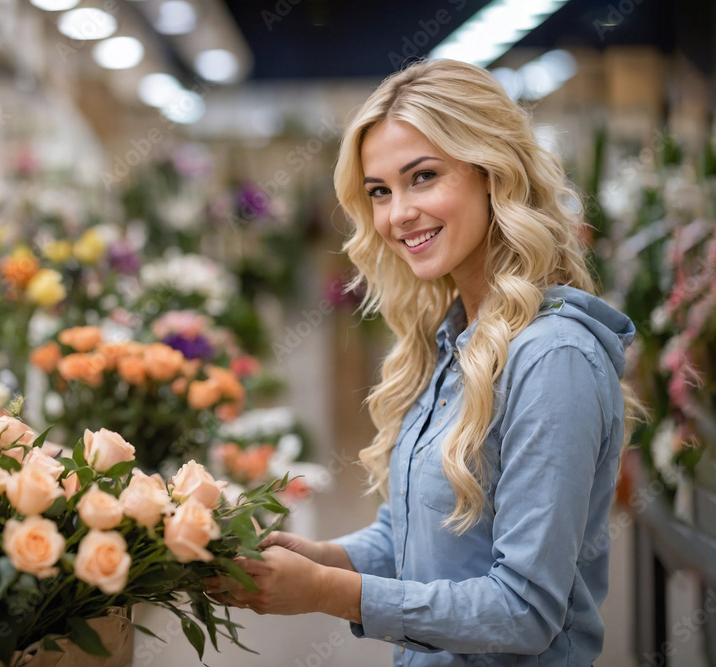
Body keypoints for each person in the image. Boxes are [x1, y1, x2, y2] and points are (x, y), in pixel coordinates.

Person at [208, 59, 643, 665]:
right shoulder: (450, 341)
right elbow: (411, 537)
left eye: (423, 177)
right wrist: (317, 558)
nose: (396, 214)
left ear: (493, 173)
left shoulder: (551, 358)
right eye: (380, 191)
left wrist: (329, 593)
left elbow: (524, 613)